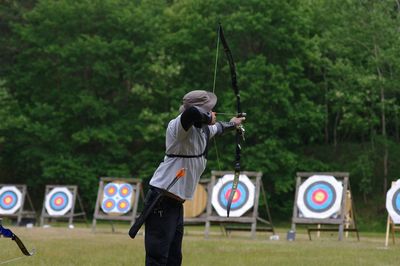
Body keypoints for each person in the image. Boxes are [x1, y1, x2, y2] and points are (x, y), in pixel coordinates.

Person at [143, 90, 245, 266]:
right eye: (208, 109)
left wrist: (233, 123)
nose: (211, 112)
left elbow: (219, 127)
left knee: (174, 259)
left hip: (175, 204)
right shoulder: (178, 126)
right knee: (158, 257)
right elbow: (191, 114)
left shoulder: (202, 130)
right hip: (161, 200)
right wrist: (207, 117)